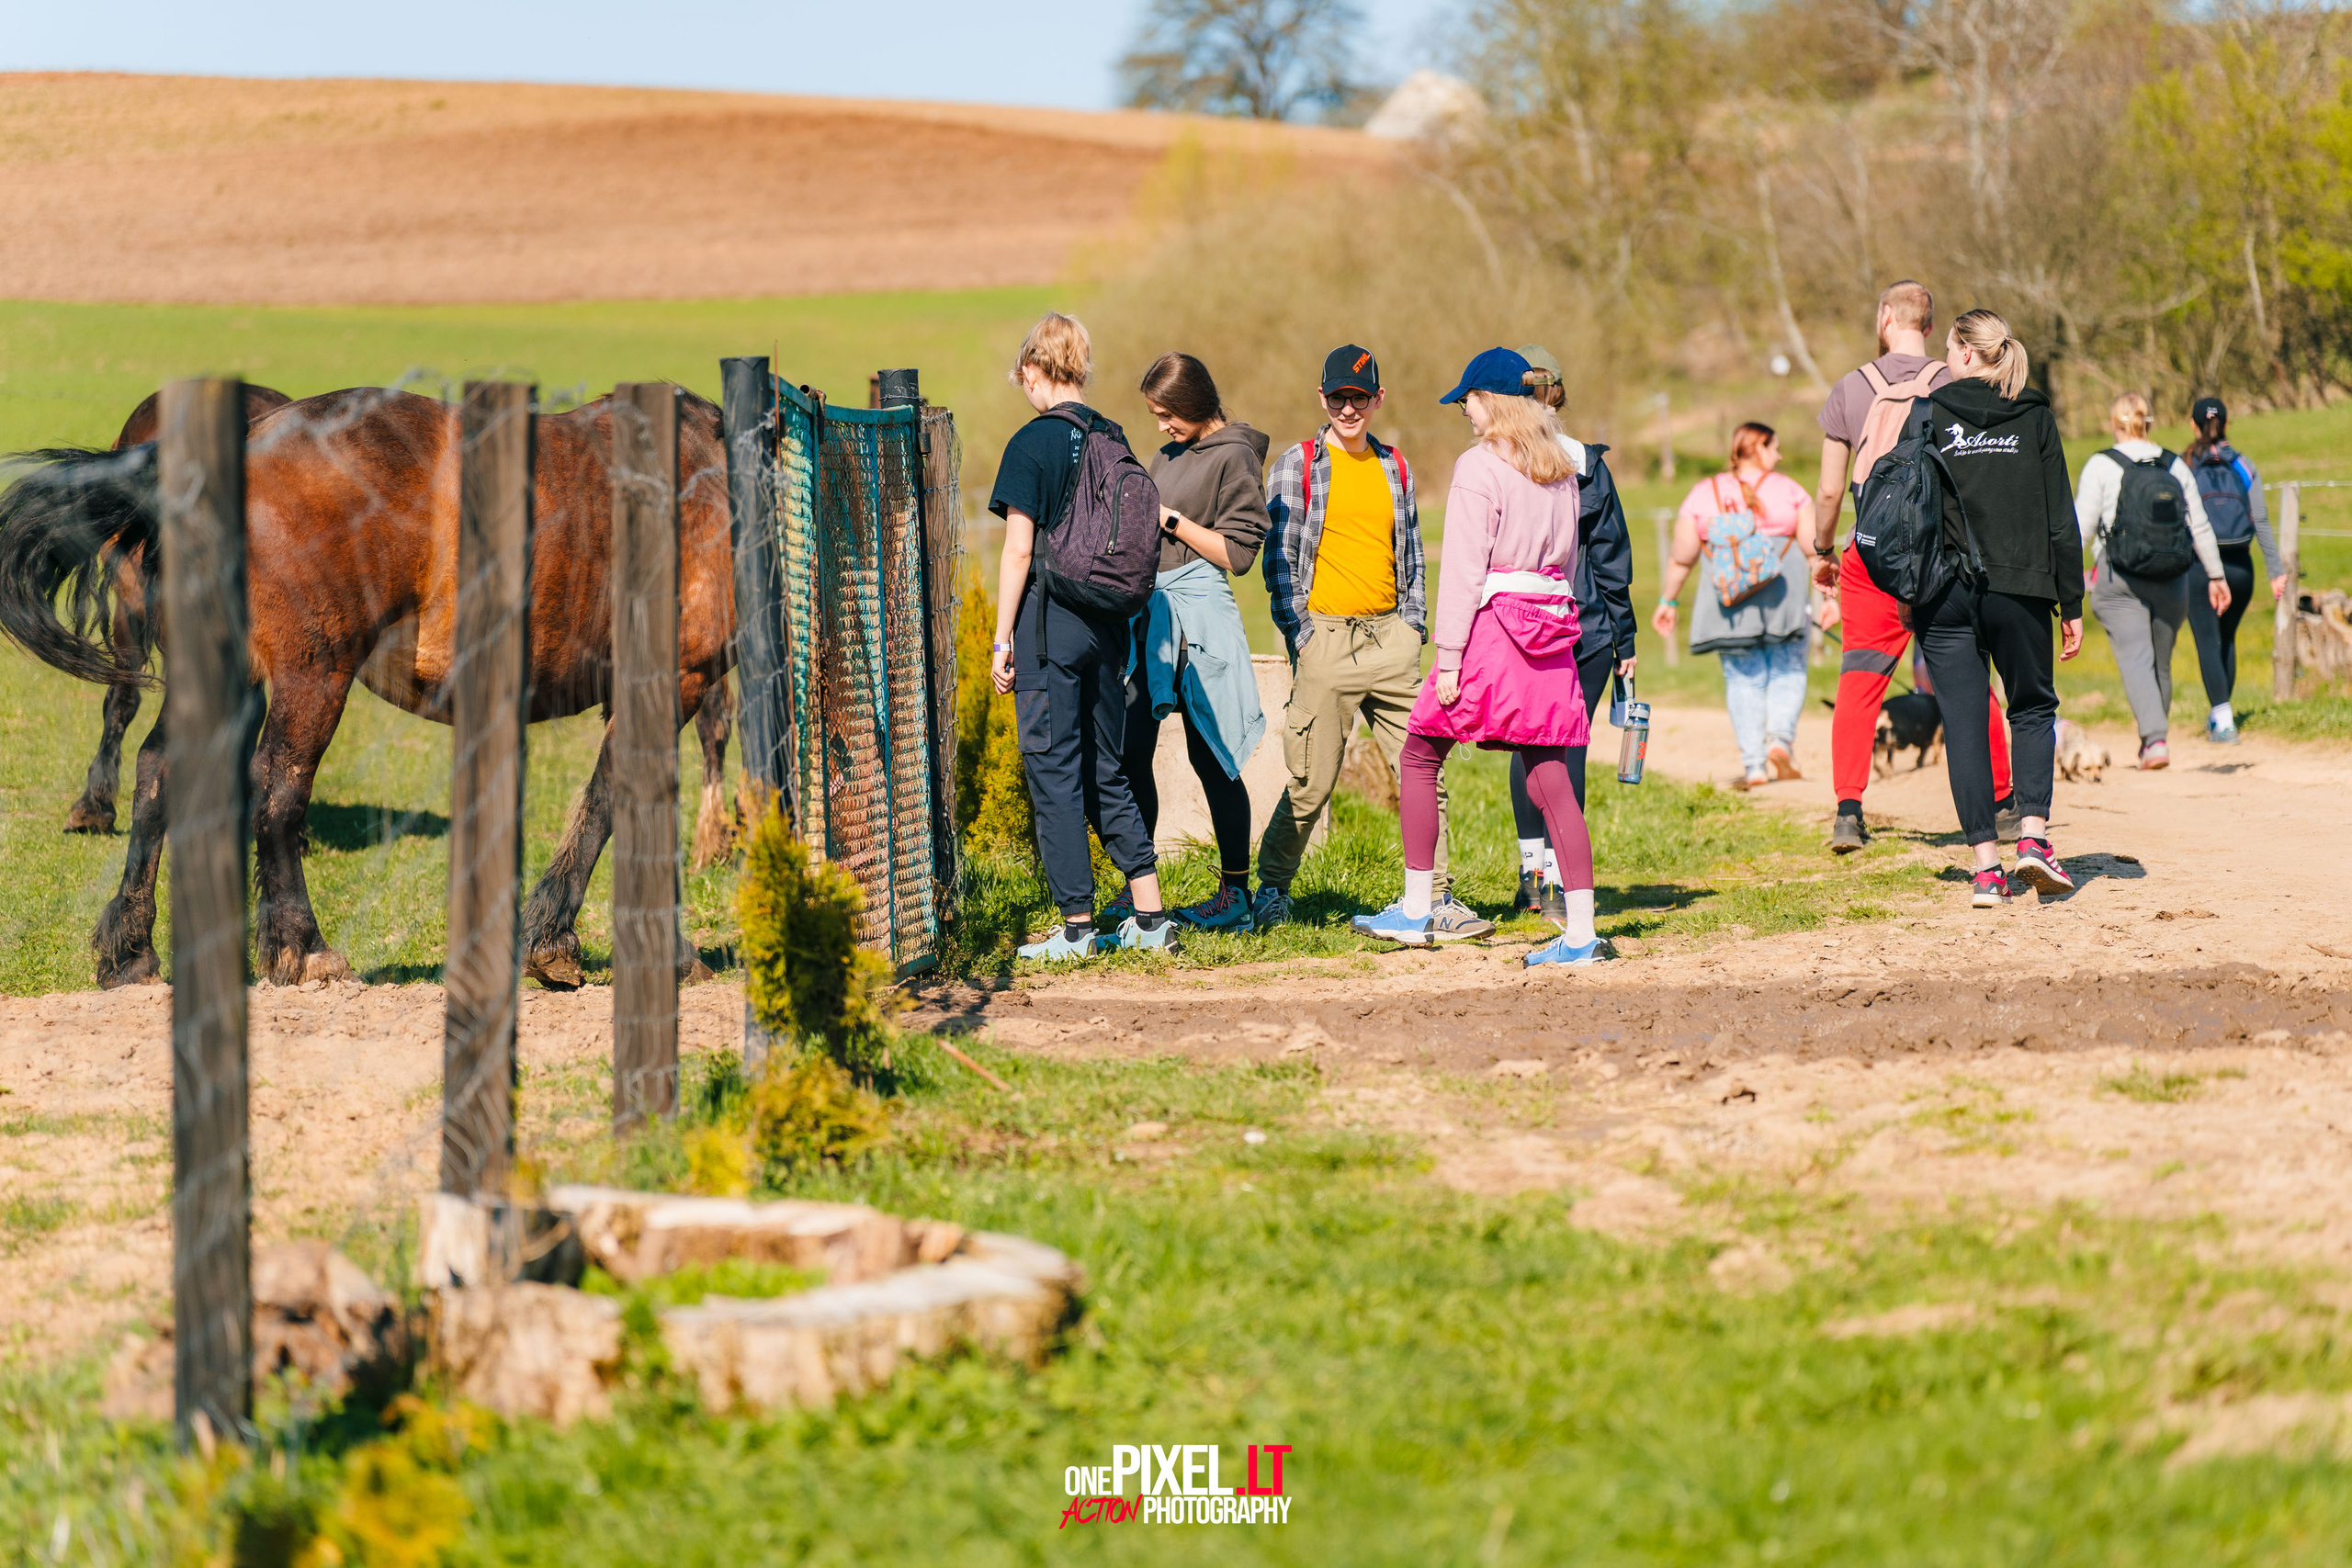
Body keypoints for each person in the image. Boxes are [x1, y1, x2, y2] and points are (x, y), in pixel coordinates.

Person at [1355, 348, 1600, 964]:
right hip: (1551, 631)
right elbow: (1569, 562)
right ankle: (1581, 933)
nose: (1464, 409)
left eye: (1467, 398)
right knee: (1551, 780)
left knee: (1418, 752)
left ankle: (1416, 908)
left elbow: (1464, 570)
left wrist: (1452, 658)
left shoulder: (1478, 466)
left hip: (1493, 630)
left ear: (1490, 400)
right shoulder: (1563, 469)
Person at [1257, 344, 1487, 939]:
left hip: (1392, 641)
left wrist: (1413, 626)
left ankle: (1436, 896)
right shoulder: (1298, 462)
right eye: (1338, 397)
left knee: (1423, 770)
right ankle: (1272, 889)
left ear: (1378, 399)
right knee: (1311, 782)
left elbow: (1411, 552)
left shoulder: (1397, 467)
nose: (1348, 408)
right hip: (1325, 641)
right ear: (1322, 397)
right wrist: (1302, 637)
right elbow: (1278, 560)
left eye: (1360, 397)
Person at [988, 311, 1176, 959]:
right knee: (1106, 770)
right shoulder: (1113, 436)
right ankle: (1151, 919)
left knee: (1054, 770)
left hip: (1050, 627)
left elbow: (1018, 553)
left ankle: (1075, 928)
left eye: (1024, 378)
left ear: (1035, 371)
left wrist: (1001, 639)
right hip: (1109, 627)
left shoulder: (1031, 443)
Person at [1811, 280, 2015, 854]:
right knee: (1969, 673)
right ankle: (2001, 803)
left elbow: (1830, 492)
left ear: (1884, 317)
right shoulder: (1955, 379)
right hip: (1944, 557)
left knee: (1860, 678)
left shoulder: (1851, 389)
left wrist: (1824, 551)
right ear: (1930, 325)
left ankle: (1849, 810)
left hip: (1873, 558)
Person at [1906, 309, 2082, 907]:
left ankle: (1986, 871)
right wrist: (2072, 602)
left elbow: (1908, 505)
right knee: (2031, 710)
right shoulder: (2033, 414)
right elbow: (2060, 514)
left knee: (1963, 725)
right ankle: (2032, 837)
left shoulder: (1929, 412)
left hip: (1943, 593)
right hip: (2022, 587)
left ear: (1960, 351)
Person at [1101, 352, 1270, 932]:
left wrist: (1168, 520)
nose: (1162, 426)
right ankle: (1137, 888)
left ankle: (1236, 895)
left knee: (1211, 755)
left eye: (1169, 414)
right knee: (1131, 750)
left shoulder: (1236, 455)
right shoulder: (1168, 454)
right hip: (1151, 612)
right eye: (1155, 415)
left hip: (1200, 614)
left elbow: (1239, 554)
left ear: (1198, 403)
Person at [1504, 345, 1636, 921]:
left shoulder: (1492, 462)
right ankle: (1559, 884)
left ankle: (1535, 878)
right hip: (1584, 625)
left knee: (1530, 748)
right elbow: (1611, 558)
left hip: (1521, 624)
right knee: (1569, 751)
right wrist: (1624, 640)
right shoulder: (1586, 463)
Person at [1652, 423, 1819, 789]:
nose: (1779, 455)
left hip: (1728, 598)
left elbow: (1682, 557)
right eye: (1775, 447)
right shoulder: (1790, 490)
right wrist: (1830, 594)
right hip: (1784, 592)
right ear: (1759, 447)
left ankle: (1755, 766)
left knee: (1743, 676)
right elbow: (1812, 549)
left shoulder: (1703, 493)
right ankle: (1780, 741)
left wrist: (1668, 600)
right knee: (1788, 666)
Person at [2074, 391, 2230, 770]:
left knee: (2137, 659)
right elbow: (2200, 525)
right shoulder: (2175, 465)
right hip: (2173, 577)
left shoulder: (2101, 464)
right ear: (2148, 423)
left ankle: (2155, 741)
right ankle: (2152, 739)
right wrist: (2216, 574)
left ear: (2115, 424)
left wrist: (2062, 575)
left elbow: (2080, 528)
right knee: (2160, 662)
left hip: (2120, 576)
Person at [2181, 396, 2289, 744]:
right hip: (2242, 566)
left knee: (2207, 643)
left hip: (2200, 567)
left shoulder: (2187, 465)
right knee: (2226, 638)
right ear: (2226, 425)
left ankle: (2224, 722)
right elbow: (2261, 520)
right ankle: (2220, 716)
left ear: (2194, 425)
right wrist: (2275, 570)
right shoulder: (2244, 465)